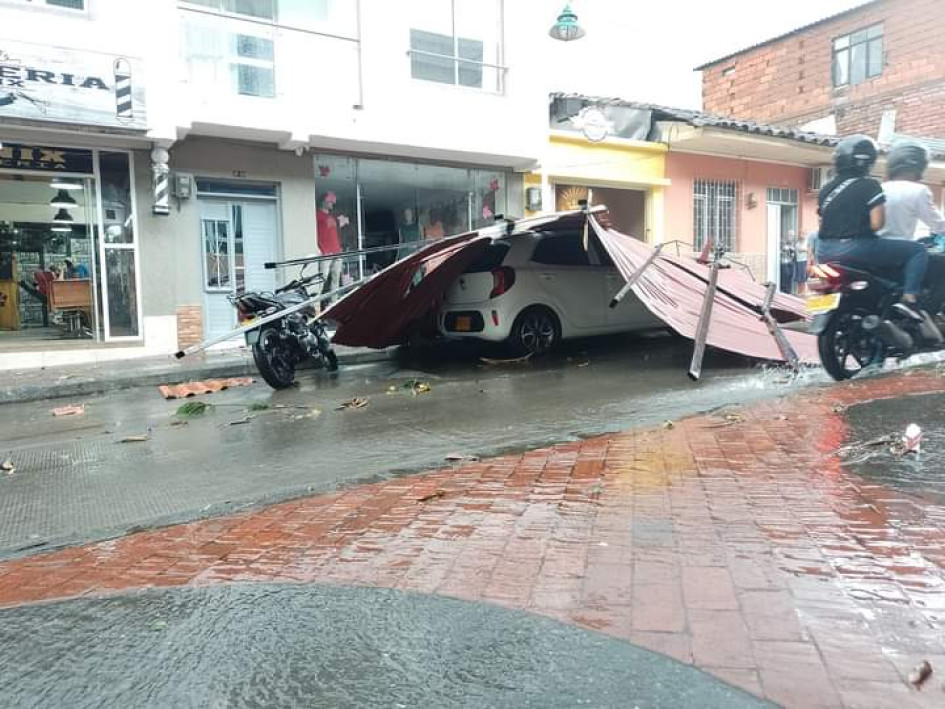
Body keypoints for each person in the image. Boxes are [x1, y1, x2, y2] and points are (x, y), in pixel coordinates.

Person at [815, 134, 928, 321]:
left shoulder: (826, 189)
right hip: (856, 249)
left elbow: (823, 220)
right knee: (917, 251)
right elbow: (877, 224)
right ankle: (909, 299)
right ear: (868, 161)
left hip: (824, 252)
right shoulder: (870, 185)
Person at [880, 139, 945, 319]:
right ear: (920, 165)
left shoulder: (879, 187)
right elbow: (938, 225)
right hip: (901, 253)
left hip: (873, 251)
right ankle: (926, 314)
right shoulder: (919, 191)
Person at [315, 191, 349, 308]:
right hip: (326, 252)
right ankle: (316, 306)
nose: (332, 204)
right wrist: (321, 249)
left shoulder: (332, 216)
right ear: (324, 201)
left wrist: (340, 248)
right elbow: (314, 233)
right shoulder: (317, 214)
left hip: (337, 252)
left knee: (335, 279)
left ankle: (333, 303)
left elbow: (335, 234)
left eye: (333, 202)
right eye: (330, 202)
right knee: (322, 279)